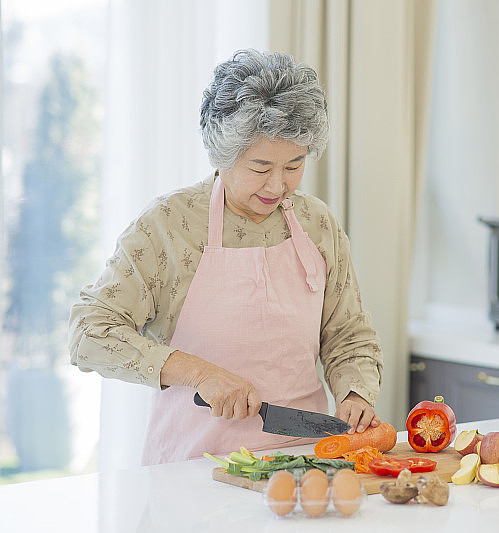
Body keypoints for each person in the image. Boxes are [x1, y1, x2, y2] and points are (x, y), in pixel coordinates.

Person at [69, 49, 383, 465]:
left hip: (306, 461)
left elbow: (348, 333)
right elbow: (89, 333)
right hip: (191, 470)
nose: (277, 185)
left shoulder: (317, 222)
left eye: (294, 165)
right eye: (260, 167)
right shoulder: (169, 225)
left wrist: (355, 393)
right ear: (224, 154)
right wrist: (199, 373)